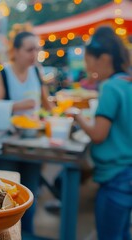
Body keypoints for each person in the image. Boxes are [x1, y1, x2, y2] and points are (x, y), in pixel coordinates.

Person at [69, 27, 132, 240]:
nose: (89, 69)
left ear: (104, 58)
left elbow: (98, 134)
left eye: (90, 62)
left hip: (116, 177)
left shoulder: (111, 87)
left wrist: (78, 116)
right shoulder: (127, 83)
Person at [0, 31, 53, 235]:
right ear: (15, 51)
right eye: (29, 49)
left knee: (31, 194)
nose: (34, 54)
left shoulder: (36, 72)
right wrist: (19, 105)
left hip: (32, 142)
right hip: (7, 143)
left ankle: (27, 234)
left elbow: (46, 104)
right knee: (6, 194)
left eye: (36, 49)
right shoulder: (3, 73)